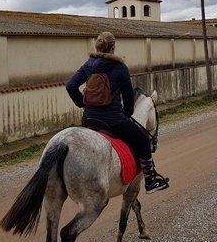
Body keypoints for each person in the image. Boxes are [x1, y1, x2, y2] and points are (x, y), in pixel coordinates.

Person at [66, 32, 170, 194]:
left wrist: (83, 103)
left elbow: (70, 86)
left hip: (89, 119)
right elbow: (128, 98)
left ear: (97, 46)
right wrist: (127, 114)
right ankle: (150, 182)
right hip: (113, 120)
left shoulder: (88, 65)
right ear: (113, 47)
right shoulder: (120, 68)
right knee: (142, 140)